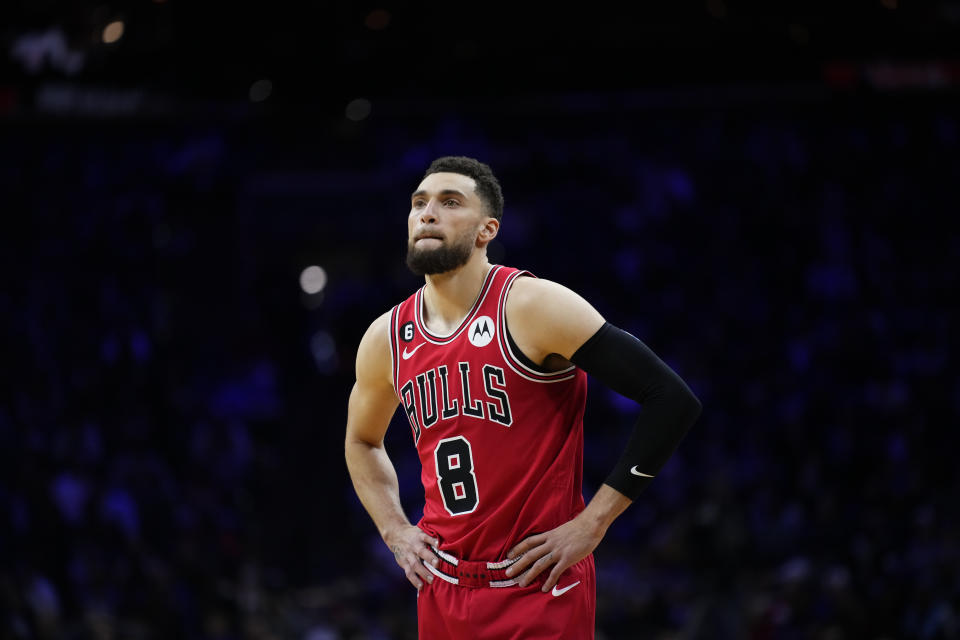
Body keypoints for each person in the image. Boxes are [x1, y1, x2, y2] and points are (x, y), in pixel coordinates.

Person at [344, 156, 702, 639]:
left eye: (450, 203)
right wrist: (395, 531)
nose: (427, 213)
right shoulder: (387, 336)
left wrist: (592, 524)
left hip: (537, 584)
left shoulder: (533, 305)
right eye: (419, 203)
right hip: (443, 588)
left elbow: (670, 398)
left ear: (487, 229)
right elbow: (362, 442)